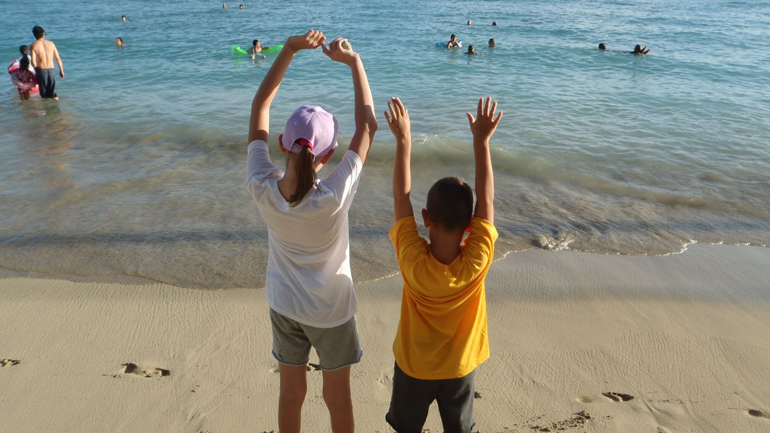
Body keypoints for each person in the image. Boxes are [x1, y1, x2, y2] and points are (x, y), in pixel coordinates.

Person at [246, 30, 377, 433]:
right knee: (336, 396)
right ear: (328, 155)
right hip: (332, 312)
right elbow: (368, 126)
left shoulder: (261, 186)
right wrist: (354, 62)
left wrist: (288, 49)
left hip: (285, 306)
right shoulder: (332, 198)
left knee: (291, 393)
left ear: (284, 143)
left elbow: (260, 105)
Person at [383, 96, 501, 433]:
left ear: (425, 219)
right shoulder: (478, 259)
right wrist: (482, 141)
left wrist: (403, 139)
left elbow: (399, 197)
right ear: (470, 226)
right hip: (460, 368)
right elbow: (487, 199)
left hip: (413, 366)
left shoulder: (411, 261)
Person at [30, 26, 64, 100]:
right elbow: (57, 58)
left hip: (41, 70)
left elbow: (33, 62)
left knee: (44, 94)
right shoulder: (51, 43)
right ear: (43, 34)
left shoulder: (33, 45)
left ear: (34, 35)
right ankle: (56, 109)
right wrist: (61, 70)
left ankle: (47, 110)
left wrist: (34, 72)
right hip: (51, 69)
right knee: (53, 93)